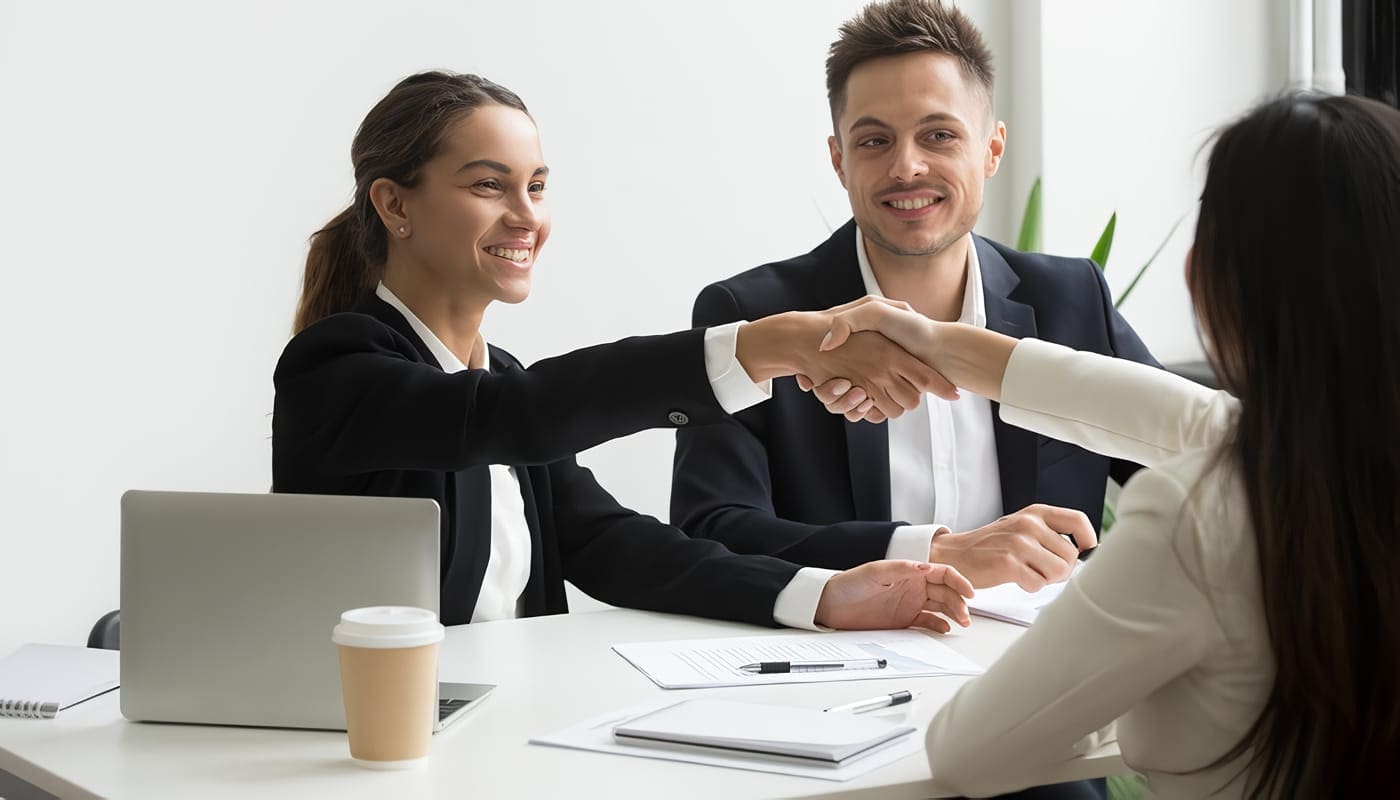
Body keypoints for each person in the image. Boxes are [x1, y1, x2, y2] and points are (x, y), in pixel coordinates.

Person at [816, 92, 1400, 798]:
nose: (908, 165)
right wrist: (938, 343)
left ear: (1211, 281)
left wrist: (1127, 682)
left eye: (939, 134)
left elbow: (970, 752)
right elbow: (1191, 417)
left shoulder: (1200, 514)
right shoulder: (1332, 454)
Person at [270, 70, 974, 634]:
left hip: (507, 731)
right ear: (395, 206)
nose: (527, 215)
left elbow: (613, 547)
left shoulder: (498, 377)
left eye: (537, 187)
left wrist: (819, 597)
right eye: (490, 184)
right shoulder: (335, 368)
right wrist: (765, 344)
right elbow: (512, 414)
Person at [670, 0, 1158, 605]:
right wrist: (930, 552)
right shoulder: (754, 314)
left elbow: (1204, 478)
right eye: (874, 140)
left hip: (1041, 663)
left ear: (992, 149)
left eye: (939, 135)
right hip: (839, 672)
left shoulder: (1073, 299)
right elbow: (711, 531)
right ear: (838, 160)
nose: (907, 166)